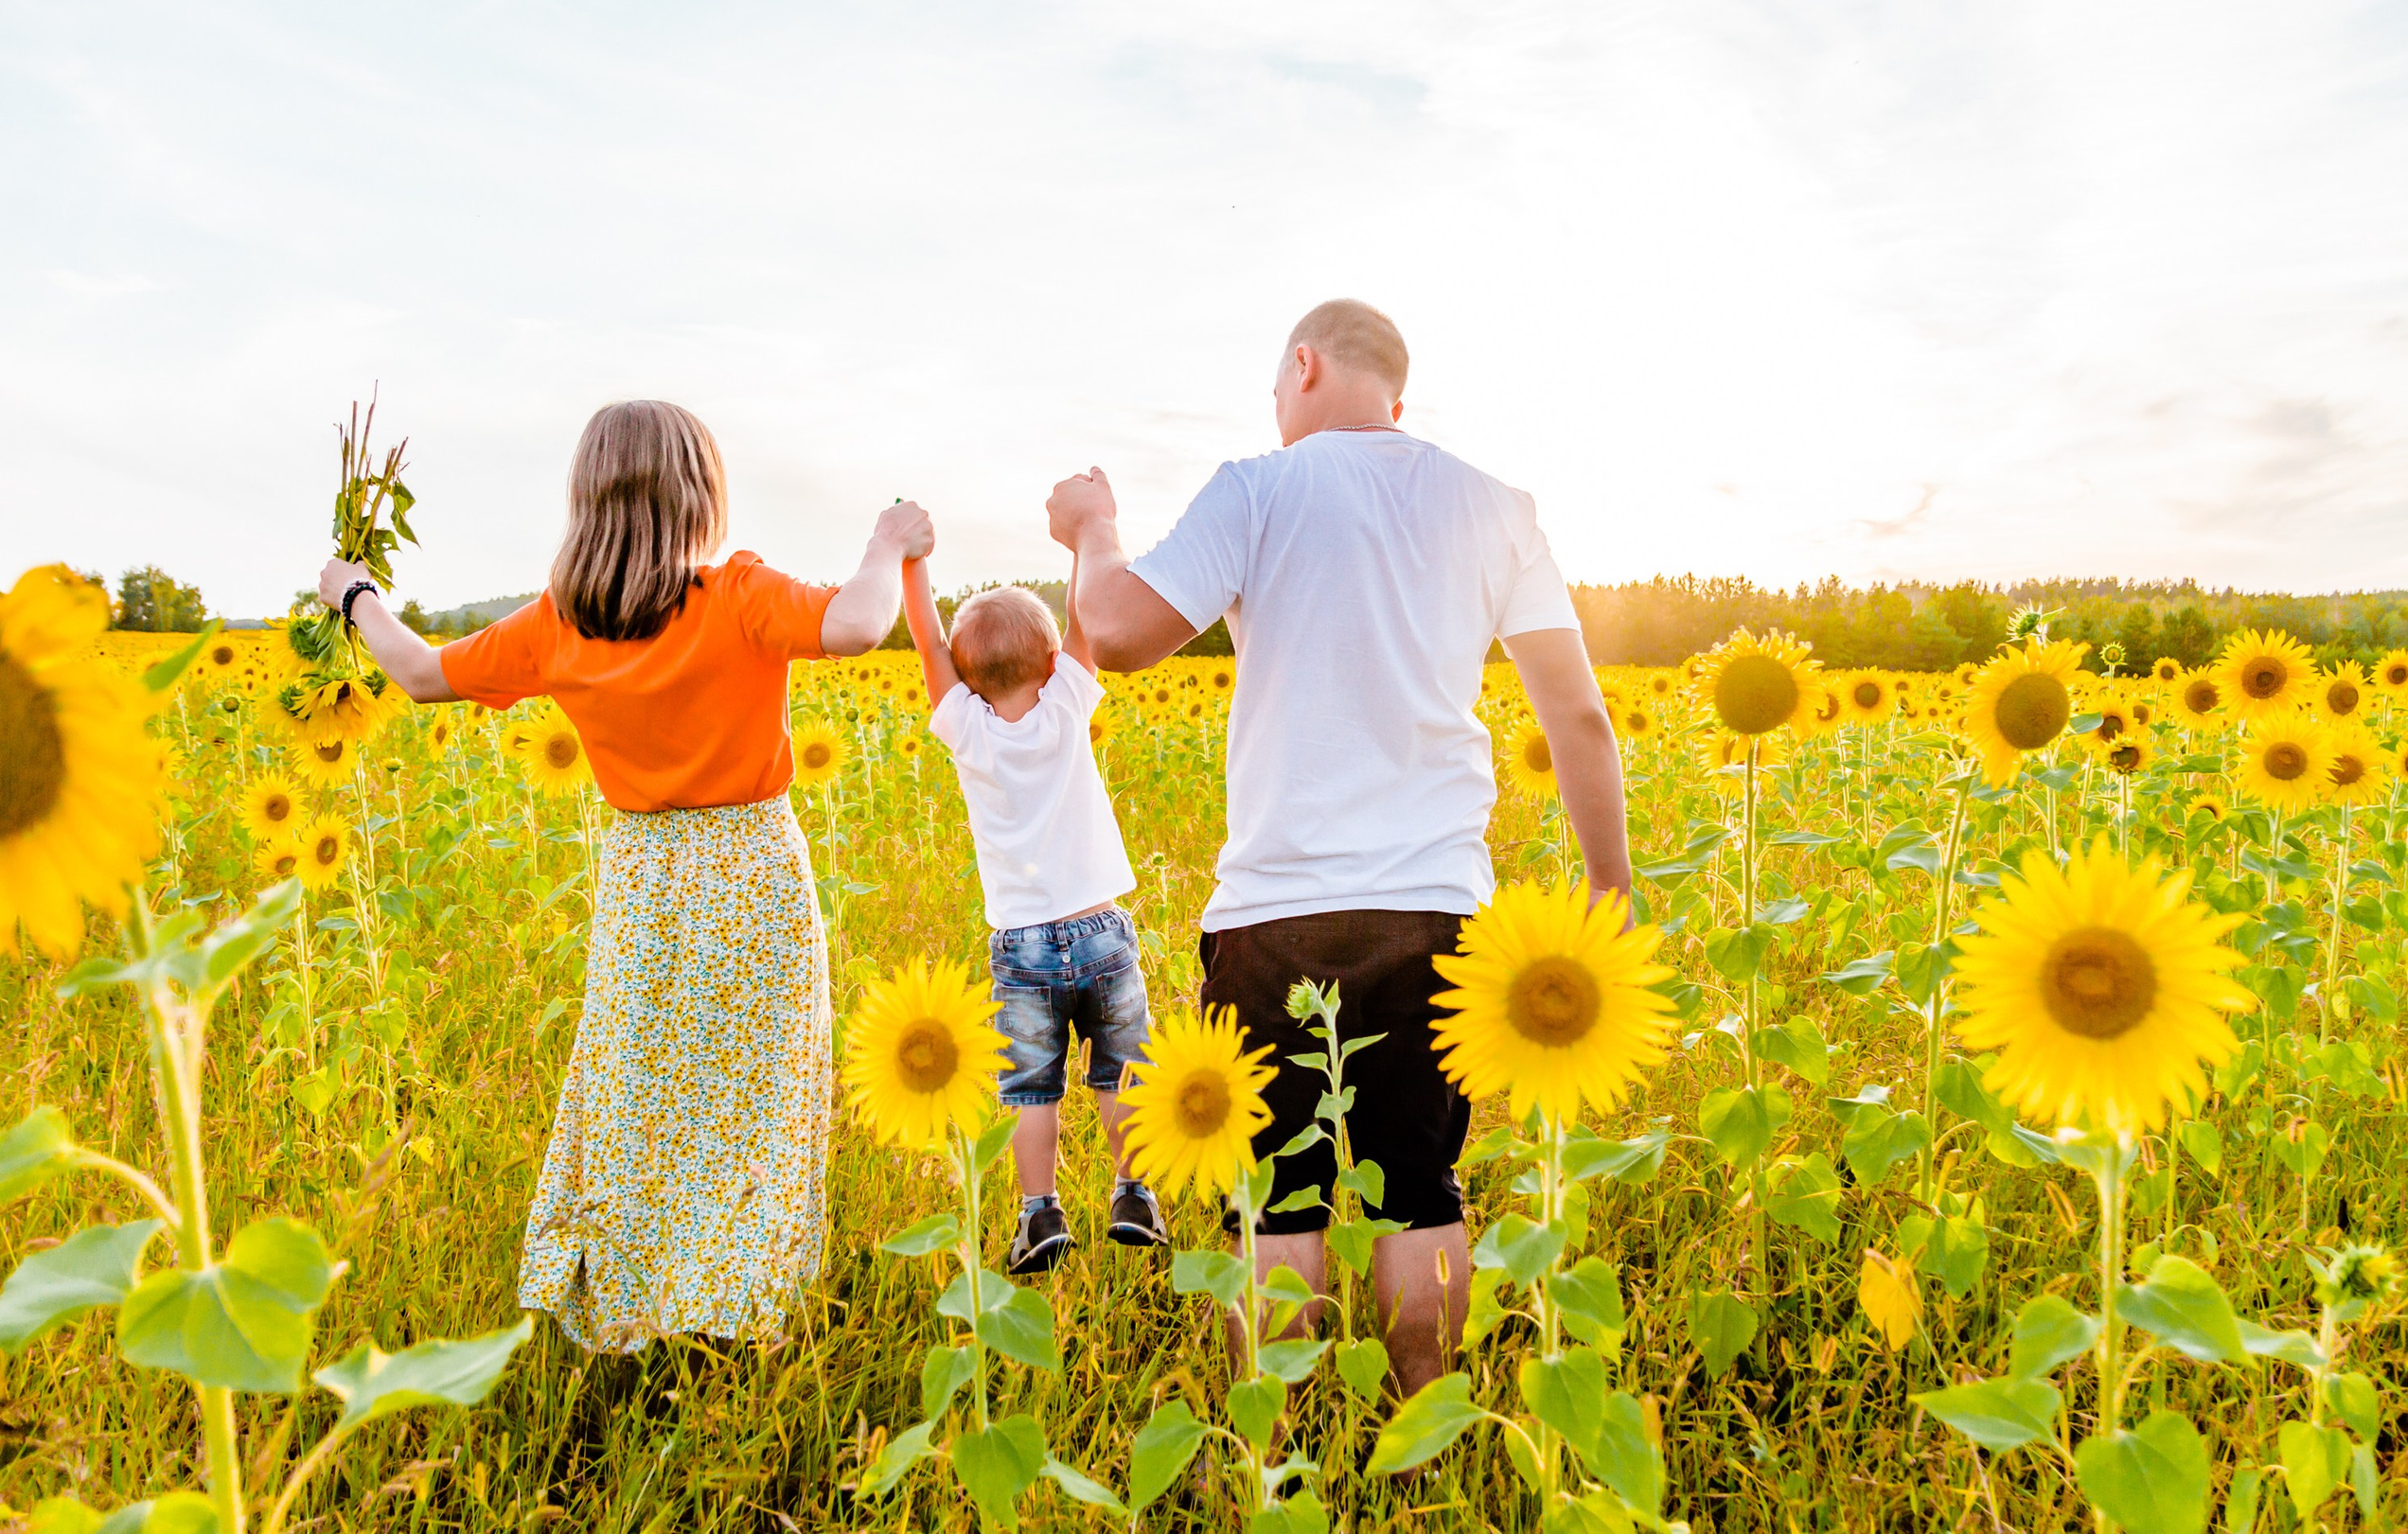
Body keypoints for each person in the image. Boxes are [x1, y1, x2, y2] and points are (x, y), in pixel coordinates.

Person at [1044, 299, 1633, 1393]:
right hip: (1437, 905)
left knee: (1279, 1196)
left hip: (1275, 911)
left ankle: (1275, 1450)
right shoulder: (1494, 505)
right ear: (1396, 401)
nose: (1274, 408)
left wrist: (1090, 528)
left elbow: (1118, 630)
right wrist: (1610, 889)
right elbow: (1580, 717)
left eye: (1277, 387)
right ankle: (1419, 1452)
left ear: (1304, 367)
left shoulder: (1260, 489)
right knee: (1422, 1185)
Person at [315, 398, 930, 1351]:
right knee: (756, 1098)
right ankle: (741, 1304)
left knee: (640, 1095)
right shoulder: (738, 590)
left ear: (589, 496)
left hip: (642, 884)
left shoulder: (561, 621)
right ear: (702, 491)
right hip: (750, 872)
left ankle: (643, 1304)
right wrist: (886, 540)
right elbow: (858, 625)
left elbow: (425, 673)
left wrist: (357, 598)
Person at [902, 558, 1165, 1274]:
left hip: (1022, 948)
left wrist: (914, 563)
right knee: (1122, 1074)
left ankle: (1039, 1212)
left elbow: (926, 641)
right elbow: (1087, 621)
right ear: (1052, 663)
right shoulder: (1067, 705)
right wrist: (1083, 544)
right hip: (1101, 927)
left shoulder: (965, 728)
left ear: (962, 674)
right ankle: (1134, 1191)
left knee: (1031, 1087)